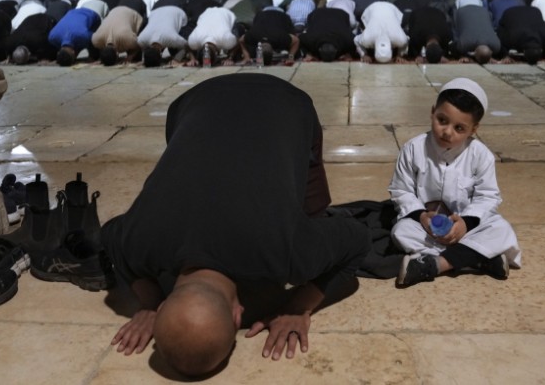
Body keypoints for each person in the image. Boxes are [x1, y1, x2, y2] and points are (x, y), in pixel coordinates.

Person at [101, 74, 370, 376]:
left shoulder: (289, 251)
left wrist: (299, 306)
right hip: (194, 101)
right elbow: (110, 235)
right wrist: (149, 302)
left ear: (236, 315)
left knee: (314, 212)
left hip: (288, 103)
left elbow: (359, 240)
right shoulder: (142, 239)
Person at [389, 78, 521, 287]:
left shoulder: (481, 155)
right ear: (433, 112)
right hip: (427, 227)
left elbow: (487, 197)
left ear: (473, 129)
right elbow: (401, 190)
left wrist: (465, 224)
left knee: (501, 228)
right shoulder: (413, 149)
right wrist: (422, 217)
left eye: (459, 128)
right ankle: (478, 258)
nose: (447, 131)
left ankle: (435, 264)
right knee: (401, 231)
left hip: (467, 228)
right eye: (442, 120)